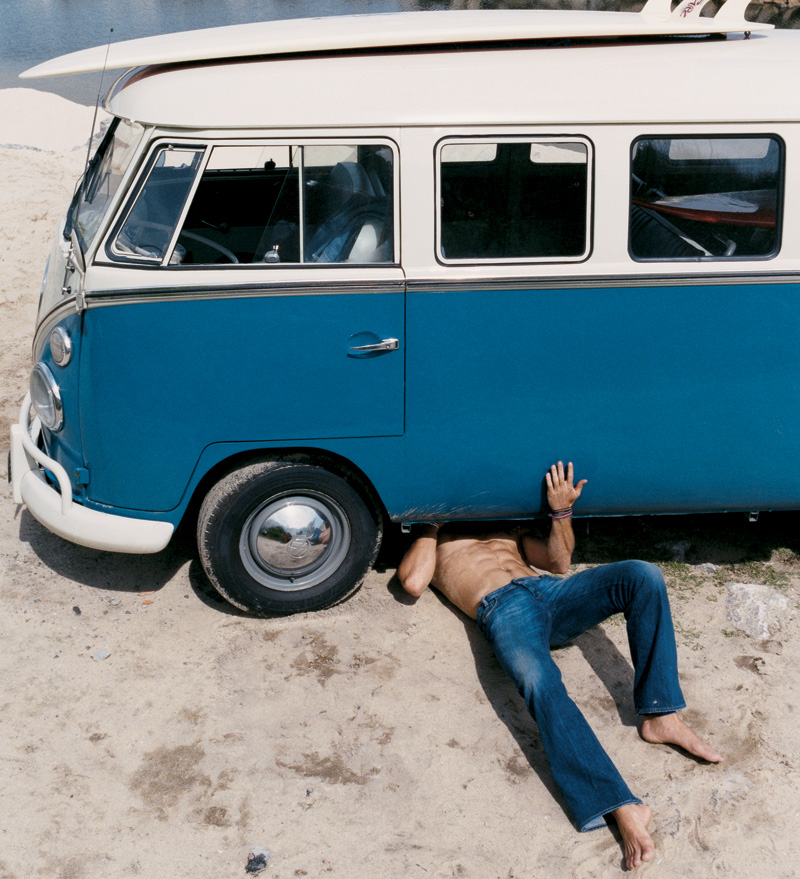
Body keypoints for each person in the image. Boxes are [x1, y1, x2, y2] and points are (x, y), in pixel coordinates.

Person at [397, 461, 722, 871]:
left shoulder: (505, 522)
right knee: (538, 680)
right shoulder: (435, 535)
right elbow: (413, 582)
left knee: (643, 576)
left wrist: (561, 512)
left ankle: (661, 715)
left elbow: (559, 562)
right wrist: (431, 521)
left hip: (551, 593)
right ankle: (617, 804)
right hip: (503, 609)